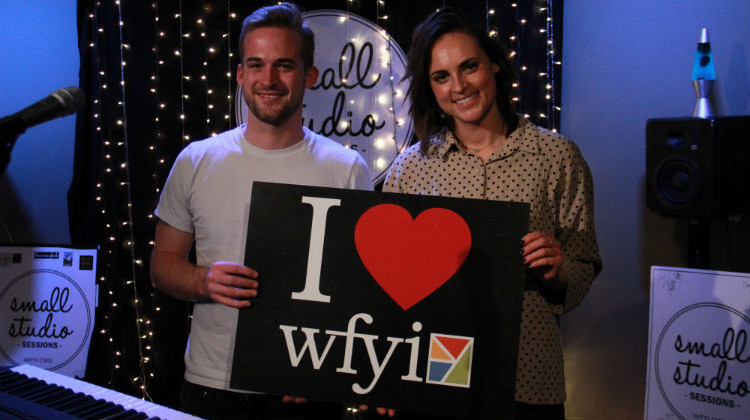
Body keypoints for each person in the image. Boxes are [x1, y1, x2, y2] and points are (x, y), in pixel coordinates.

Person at [149, 3, 372, 419]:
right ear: (240, 74)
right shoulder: (197, 160)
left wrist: (327, 370)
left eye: (284, 66)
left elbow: (357, 287)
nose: (268, 79)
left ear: (309, 76)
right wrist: (204, 280)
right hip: (211, 386)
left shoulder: (346, 169)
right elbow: (162, 265)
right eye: (256, 64)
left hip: (305, 387)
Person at [382, 7, 602, 420]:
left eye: (469, 67)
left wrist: (560, 269)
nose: (459, 86)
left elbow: (585, 264)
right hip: (432, 379)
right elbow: (391, 286)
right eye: (441, 76)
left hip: (528, 376)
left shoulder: (557, 157)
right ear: (430, 88)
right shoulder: (410, 168)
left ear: (495, 66)